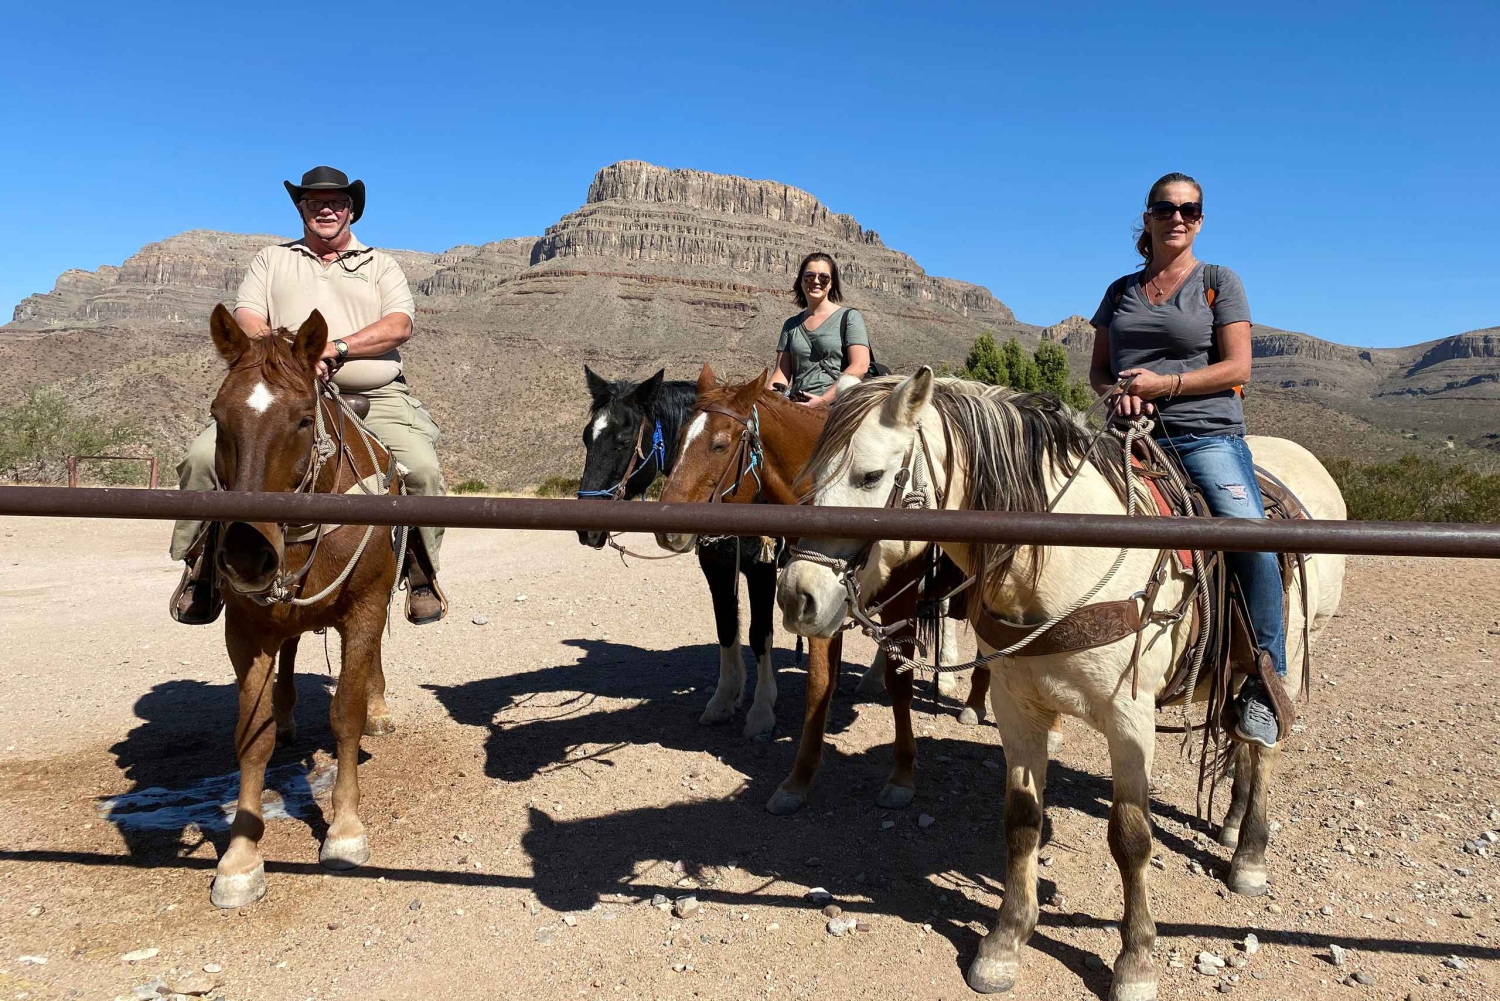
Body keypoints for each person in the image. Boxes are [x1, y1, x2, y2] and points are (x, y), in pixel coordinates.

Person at [169, 165, 448, 626]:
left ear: (351, 211)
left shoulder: (380, 265)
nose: (326, 209)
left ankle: (420, 571)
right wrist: (286, 360)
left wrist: (335, 348)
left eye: (336, 202)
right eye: (314, 202)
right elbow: (247, 316)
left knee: (421, 469)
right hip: (285, 393)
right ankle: (200, 567)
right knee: (201, 459)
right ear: (300, 208)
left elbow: (399, 325)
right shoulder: (271, 260)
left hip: (372, 392)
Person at [1087, 171, 1285, 748]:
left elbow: (1237, 369)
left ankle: (1265, 680)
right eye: (1166, 208)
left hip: (1204, 436)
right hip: (1126, 433)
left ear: (1200, 220)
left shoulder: (1219, 281)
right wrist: (1114, 393)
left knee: (1249, 532)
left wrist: (1162, 384)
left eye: (1190, 210)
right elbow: (1099, 369)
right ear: (1146, 218)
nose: (1179, 217)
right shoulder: (1120, 289)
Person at [768, 252, 872, 408]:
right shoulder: (791, 325)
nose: (816, 282)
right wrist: (766, 401)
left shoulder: (849, 317)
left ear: (831, 283)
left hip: (838, 406)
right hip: (799, 406)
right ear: (801, 282)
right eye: (809, 277)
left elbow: (860, 365)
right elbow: (781, 374)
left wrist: (823, 400)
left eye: (824, 278)